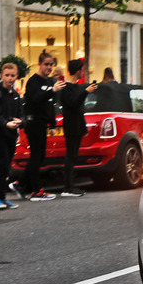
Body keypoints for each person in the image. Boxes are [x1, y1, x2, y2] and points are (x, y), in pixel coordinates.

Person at [9, 52, 65, 201]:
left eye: (51, 64)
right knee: (36, 155)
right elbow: (37, 98)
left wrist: (52, 124)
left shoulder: (50, 82)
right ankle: (36, 190)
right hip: (33, 122)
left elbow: (50, 105)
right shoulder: (33, 81)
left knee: (40, 156)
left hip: (42, 122)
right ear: (39, 64)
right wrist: (52, 90)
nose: (49, 67)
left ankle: (20, 184)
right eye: (46, 64)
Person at [60, 59, 97, 197]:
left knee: (73, 156)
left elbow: (79, 107)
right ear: (77, 71)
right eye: (81, 70)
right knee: (70, 156)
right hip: (71, 125)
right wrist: (86, 92)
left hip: (76, 124)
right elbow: (73, 104)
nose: (82, 72)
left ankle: (70, 186)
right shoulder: (67, 87)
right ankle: (67, 187)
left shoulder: (75, 87)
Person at [0, 63, 24, 209]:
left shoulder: (16, 95)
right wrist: (5, 124)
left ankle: (3, 198)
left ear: (16, 76)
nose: (10, 78)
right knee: (1, 166)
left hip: (11, 135)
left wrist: (20, 121)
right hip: (0, 134)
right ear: (1, 76)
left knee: (6, 167)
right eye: (7, 75)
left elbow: (21, 114)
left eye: (12, 75)